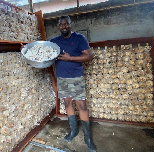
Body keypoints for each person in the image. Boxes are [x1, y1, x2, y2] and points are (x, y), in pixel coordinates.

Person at [50, 15, 97, 152]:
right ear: (58, 26)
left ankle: (88, 138)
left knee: (81, 105)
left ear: (70, 25)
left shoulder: (79, 38)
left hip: (76, 78)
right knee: (67, 104)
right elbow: (43, 53)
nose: (64, 26)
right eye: (61, 24)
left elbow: (89, 56)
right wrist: (26, 49)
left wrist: (70, 58)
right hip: (62, 78)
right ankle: (74, 131)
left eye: (66, 24)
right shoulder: (54, 42)